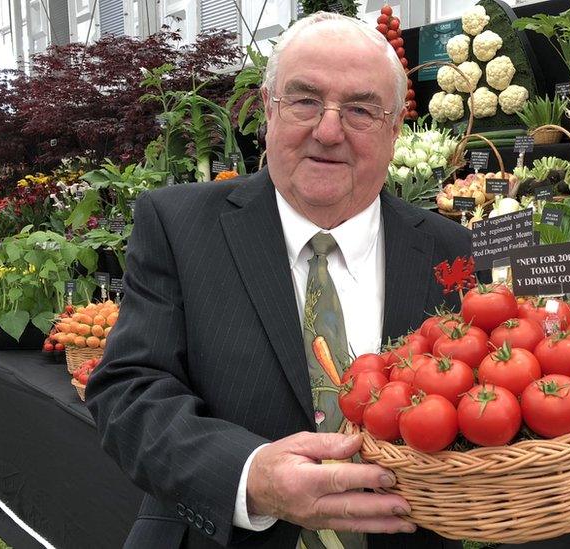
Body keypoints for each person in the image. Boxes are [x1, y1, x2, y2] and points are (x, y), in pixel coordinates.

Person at [86, 11, 470, 549]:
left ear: (393, 130)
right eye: (305, 99)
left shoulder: (450, 250)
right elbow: (128, 391)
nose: (328, 130)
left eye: (360, 109)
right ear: (269, 109)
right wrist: (249, 478)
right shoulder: (177, 225)